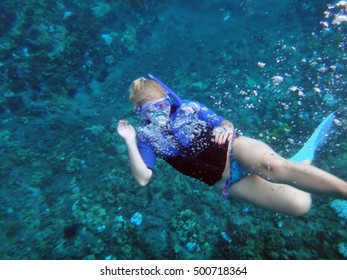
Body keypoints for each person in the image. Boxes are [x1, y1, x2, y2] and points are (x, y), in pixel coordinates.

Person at [117, 74, 347, 216]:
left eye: (161, 105)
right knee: (300, 206)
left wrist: (225, 128)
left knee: (273, 168)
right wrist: (129, 141)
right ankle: (302, 161)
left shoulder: (189, 107)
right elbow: (143, 178)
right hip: (227, 182)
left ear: (169, 99)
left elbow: (224, 123)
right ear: (140, 113)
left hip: (235, 150)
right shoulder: (147, 137)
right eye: (149, 110)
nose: (159, 113)